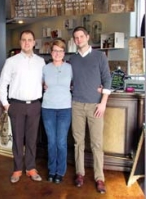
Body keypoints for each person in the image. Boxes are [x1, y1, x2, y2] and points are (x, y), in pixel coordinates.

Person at [0, 30, 45, 183]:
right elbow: (2, 84)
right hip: (16, 106)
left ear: (34, 42)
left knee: (32, 139)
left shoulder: (41, 62)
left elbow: (45, 83)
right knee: (18, 139)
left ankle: (31, 168)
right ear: (20, 42)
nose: (27, 42)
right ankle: (17, 169)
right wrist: (6, 105)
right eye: (24, 40)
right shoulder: (11, 61)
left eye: (29, 40)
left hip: (35, 106)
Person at [69, 26, 112, 194]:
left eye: (81, 36)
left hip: (95, 105)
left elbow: (107, 79)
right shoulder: (72, 59)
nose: (79, 39)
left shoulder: (100, 56)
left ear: (87, 37)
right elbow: (69, 81)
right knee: (78, 142)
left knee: (96, 143)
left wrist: (103, 103)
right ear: (74, 41)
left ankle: (99, 177)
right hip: (76, 105)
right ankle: (80, 173)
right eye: (76, 37)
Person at [42, 39, 72, 184]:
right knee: (51, 142)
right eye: (54, 50)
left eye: (60, 51)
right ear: (51, 52)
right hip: (48, 108)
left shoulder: (70, 68)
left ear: (64, 53)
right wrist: (42, 85)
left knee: (61, 142)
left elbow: (79, 82)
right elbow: (39, 83)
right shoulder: (45, 68)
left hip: (65, 108)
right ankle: (52, 169)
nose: (57, 53)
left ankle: (60, 171)